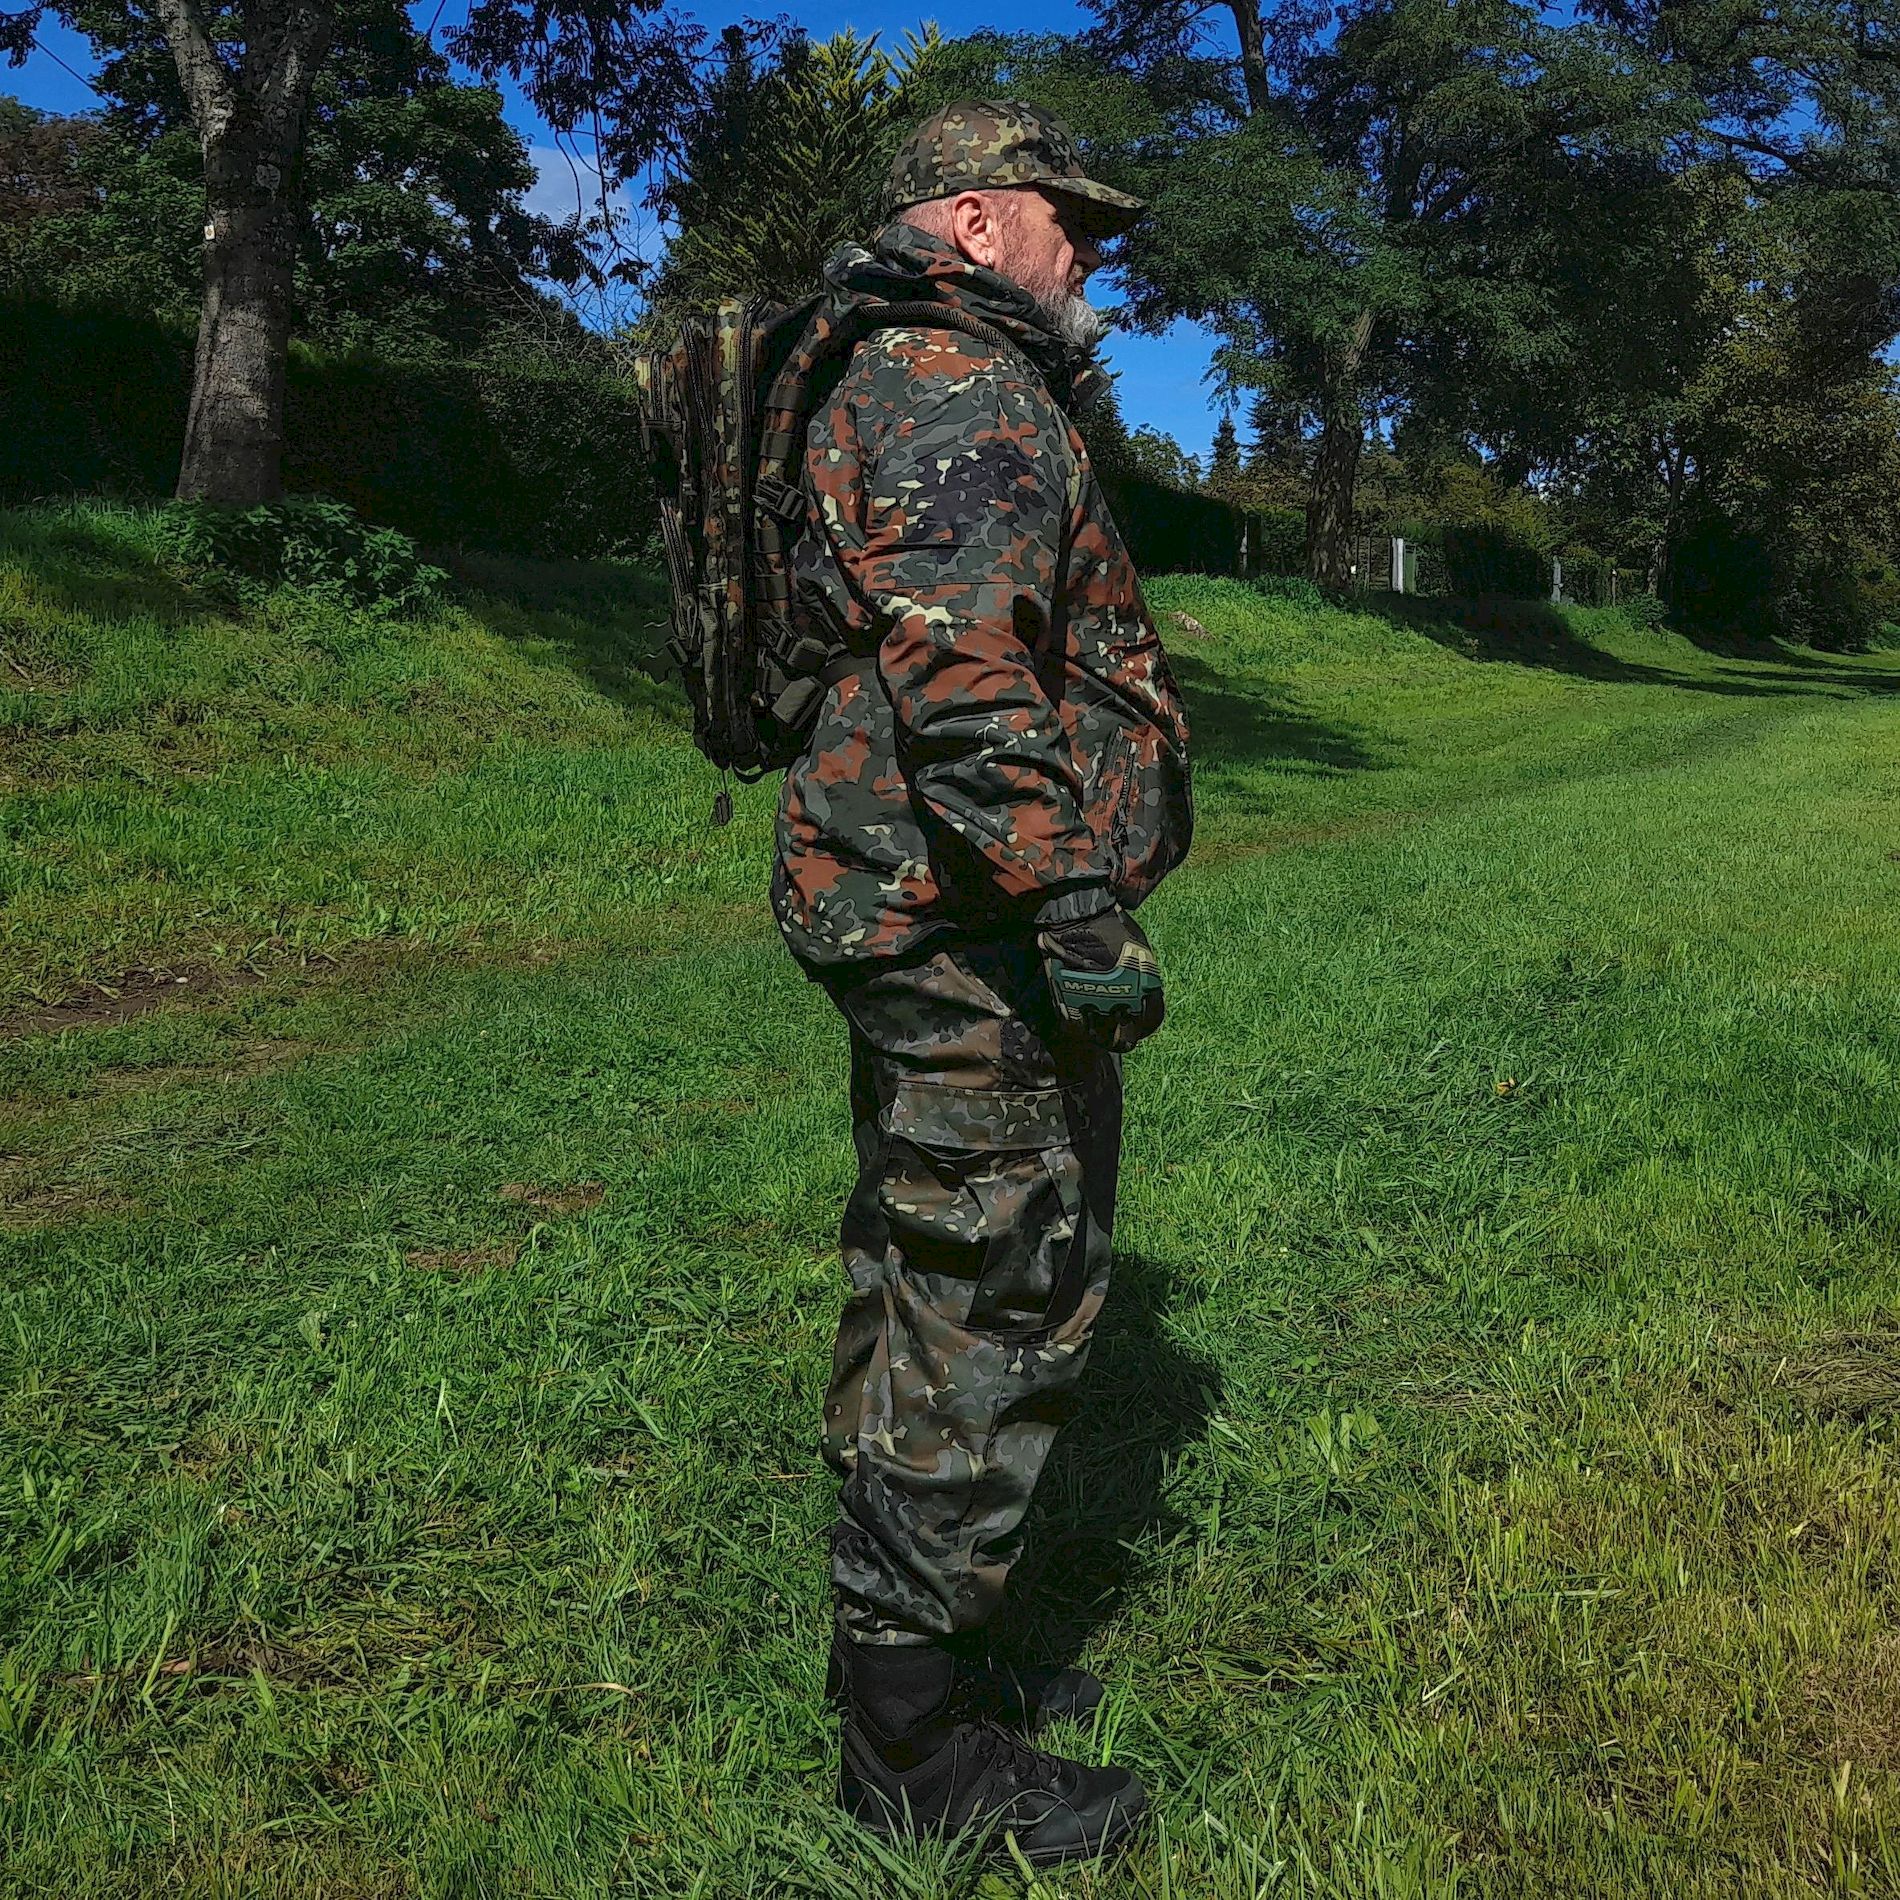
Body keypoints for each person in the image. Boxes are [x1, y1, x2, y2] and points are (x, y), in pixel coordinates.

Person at [775, 100, 1194, 1865]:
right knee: (992, 1283)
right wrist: (1079, 916)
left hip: (917, 909)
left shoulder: (911, 372)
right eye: (1058, 214)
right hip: (970, 925)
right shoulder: (953, 383)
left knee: (928, 1256)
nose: (1084, 248)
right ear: (967, 221)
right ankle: (913, 1752)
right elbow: (965, 682)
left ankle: (927, 1656)